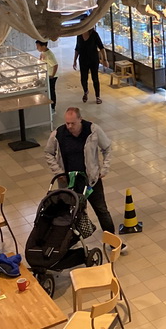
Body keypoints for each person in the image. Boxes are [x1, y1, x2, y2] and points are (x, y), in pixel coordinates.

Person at [43, 107, 125, 251]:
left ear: (80, 119)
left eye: (72, 123)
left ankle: (113, 240)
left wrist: (104, 169)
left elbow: (107, 148)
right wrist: (59, 172)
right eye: (67, 123)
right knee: (72, 213)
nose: (69, 127)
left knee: (101, 210)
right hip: (69, 182)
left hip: (90, 180)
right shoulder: (58, 134)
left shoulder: (93, 131)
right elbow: (48, 153)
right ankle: (69, 242)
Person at [73, 29, 107, 104]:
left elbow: (101, 48)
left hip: (93, 60)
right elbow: (77, 48)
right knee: (83, 79)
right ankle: (86, 91)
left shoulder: (94, 34)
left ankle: (97, 97)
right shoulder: (79, 35)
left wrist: (105, 60)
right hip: (83, 60)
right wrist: (74, 60)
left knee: (95, 78)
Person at [36, 41, 58, 111]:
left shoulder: (49, 55)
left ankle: (53, 108)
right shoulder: (43, 52)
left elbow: (55, 65)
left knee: (51, 91)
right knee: (49, 91)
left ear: (44, 46)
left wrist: (52, 75)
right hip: (47, 75)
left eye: (38, 46)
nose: (37, 48)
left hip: (51, 76)